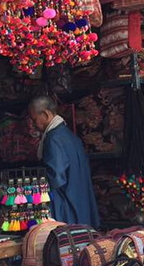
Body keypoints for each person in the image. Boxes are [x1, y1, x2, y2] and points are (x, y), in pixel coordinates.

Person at [29, 96, 100, 228]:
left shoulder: (53, 139)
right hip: (81, 205)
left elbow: (56, 178)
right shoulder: (69, 136)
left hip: (67, 208)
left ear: (45, 114)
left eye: (34, 119)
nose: (33, 124)